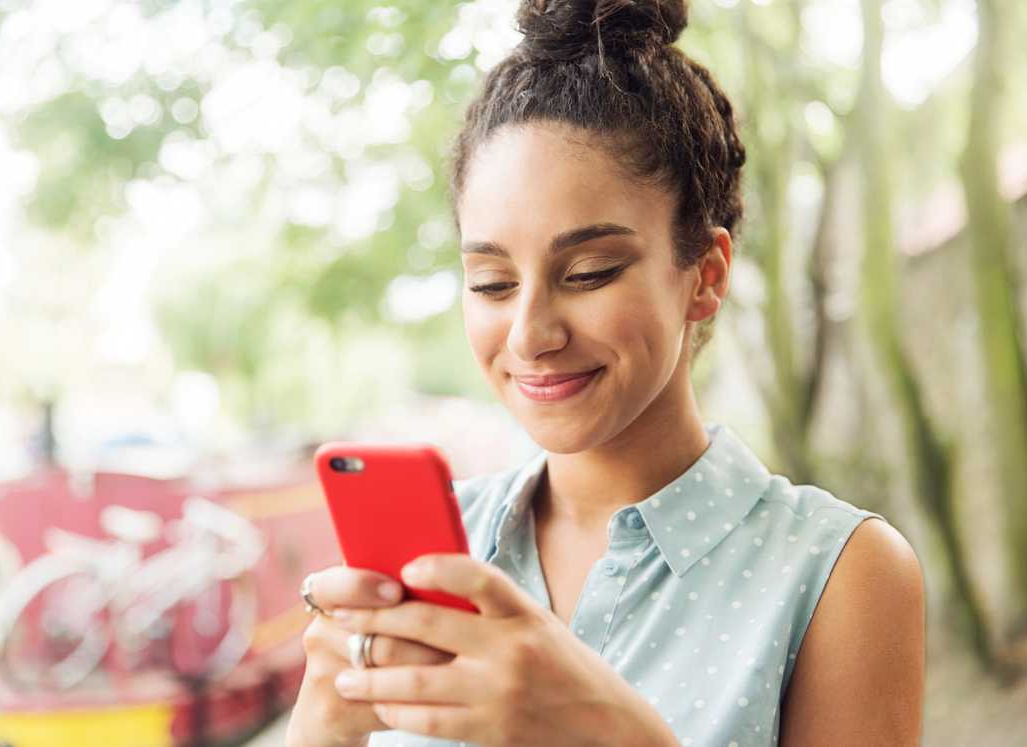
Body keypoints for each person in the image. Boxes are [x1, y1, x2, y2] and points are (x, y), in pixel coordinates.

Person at [286, 0, 926, 745]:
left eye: (588, 272)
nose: (530, 334)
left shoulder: (836, 572)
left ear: (705, 274)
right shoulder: (430, 555)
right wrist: (320, 727)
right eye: (492, 282)